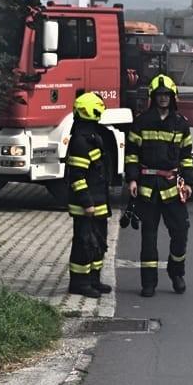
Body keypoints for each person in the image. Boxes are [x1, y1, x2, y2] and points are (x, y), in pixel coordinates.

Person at [125, 74, 193, 297]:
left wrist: (189, 183)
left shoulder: (181, 124)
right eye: (159, 95)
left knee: (181, 232)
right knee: (149, 236)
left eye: (167, 95)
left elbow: (186, 157)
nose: (163, 98)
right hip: (148, 189)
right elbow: (132, 154)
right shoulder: (142, 122)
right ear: (153, 97)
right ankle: (148, 283)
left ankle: (176, 272)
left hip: (172, 188)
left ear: (172, 97)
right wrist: (132, 179)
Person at [65, 92, 113, 298]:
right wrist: (87, 203)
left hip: (98, 201)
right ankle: (79, 282)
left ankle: (94, 279)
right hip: (87, 204)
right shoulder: (81, 141)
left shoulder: (92, 136)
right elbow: (77, 176)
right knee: (84, 243)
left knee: (98, 241)